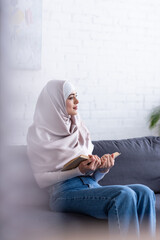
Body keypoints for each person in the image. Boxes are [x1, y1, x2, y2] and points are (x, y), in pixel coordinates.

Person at [27, 80, 156, 238]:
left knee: (145, 192)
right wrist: (77, 170)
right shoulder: (38, 135)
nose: (77, 101)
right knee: (124, 194)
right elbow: (41, 179)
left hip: (91, 185)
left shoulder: (78, 128)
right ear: (56, 102)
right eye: (71, 97)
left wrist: (102, 169)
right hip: (62, 193)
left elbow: (91, 176)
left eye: (77, 96)